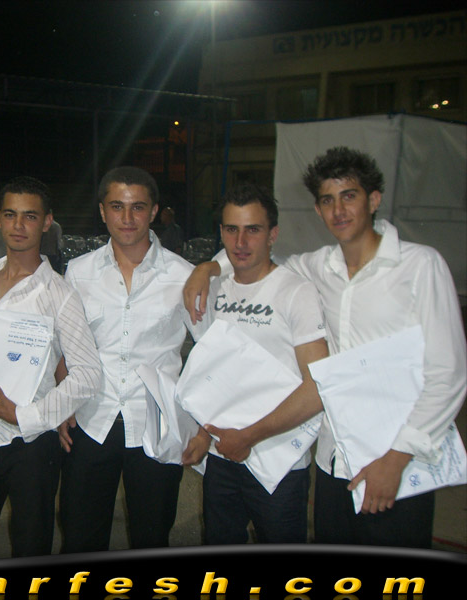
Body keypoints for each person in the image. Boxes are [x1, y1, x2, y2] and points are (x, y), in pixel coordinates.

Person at [183, 147, 467, 548]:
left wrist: (397, 458)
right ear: (318, 210)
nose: (339, 210)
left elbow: (448, 375)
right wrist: (208, 267)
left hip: (396, 462)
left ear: (373, 199)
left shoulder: (419, 266)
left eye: (349, 196)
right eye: (328, 200)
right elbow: (252, 258)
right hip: (334, 461)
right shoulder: (316, 267)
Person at [0, 176, 102, 561]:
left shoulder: (59, 294)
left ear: (47, 222)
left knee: (31, 545)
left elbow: (88, 372)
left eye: (30, 216)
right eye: (11, 215)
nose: (18, 225)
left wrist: (28, 416)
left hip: (31, 444)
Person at [59, 166, 208, 553]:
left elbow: (212, 354)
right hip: (92, 418)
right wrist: (61, 404)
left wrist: (205, 427)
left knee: (151, 537)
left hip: (155, 424)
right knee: (80, 536)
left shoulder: (183, 275)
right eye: (117, 206)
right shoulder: (79, 272)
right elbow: (66, 345)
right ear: (102, 211)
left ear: (154, 211)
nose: (127, 218)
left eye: (138, 207)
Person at [188, 183, 328, 544]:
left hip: (277, 460)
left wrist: (249, 437)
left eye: (253, 229)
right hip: (223, 456)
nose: (240, 242)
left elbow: (317, 388)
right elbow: (215, 371)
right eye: (231, 229)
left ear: (273, 234)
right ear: (221, 233)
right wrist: (204, 434)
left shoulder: (296, 292)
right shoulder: (216, 290)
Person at [39, 208, 64, 273]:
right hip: (51, 252)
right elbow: (59, 241)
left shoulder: (40, 225)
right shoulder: (57, 226)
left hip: (45, 252)